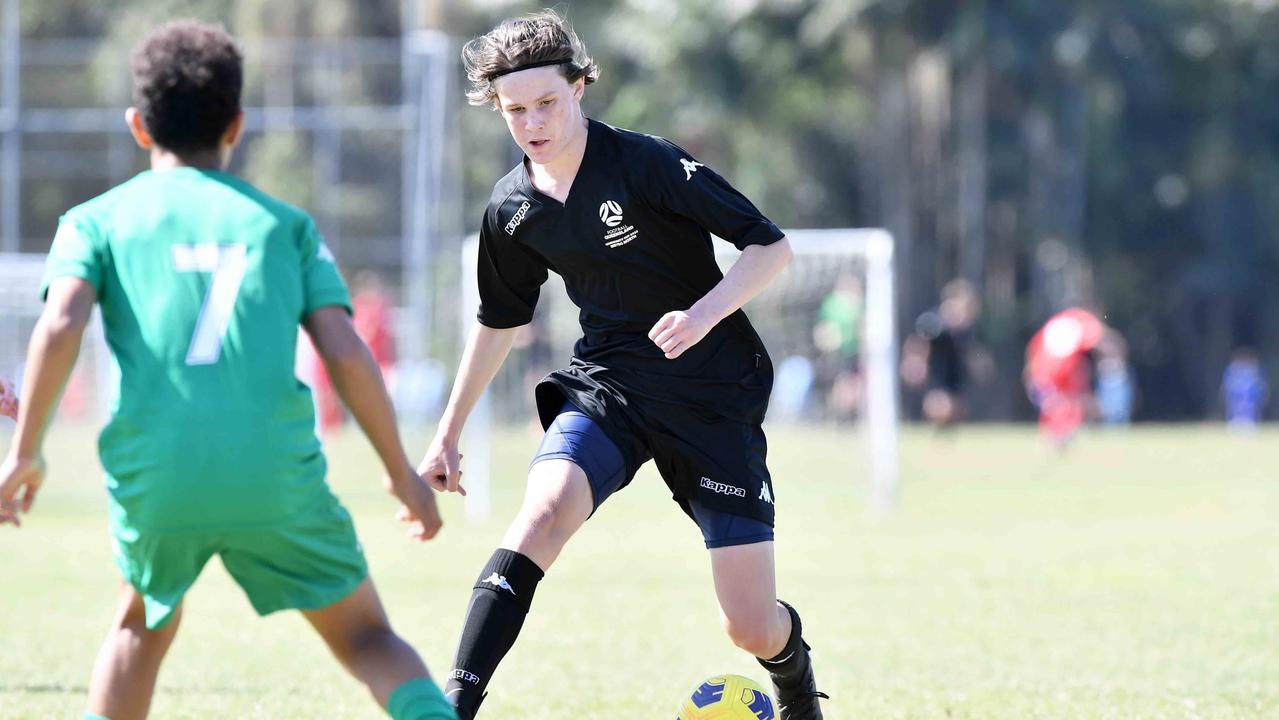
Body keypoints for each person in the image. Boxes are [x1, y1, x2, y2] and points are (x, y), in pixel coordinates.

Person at [0, 22, 456, 720]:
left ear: (137, 126)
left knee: (140, 626)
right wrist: (398, 471)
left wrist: (26, 450)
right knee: (367, 635)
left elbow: (60, 325)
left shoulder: (94, 221)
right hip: (274, 470)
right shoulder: (284, 226)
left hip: (157, 472)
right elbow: (343, 348)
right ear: (237, 126)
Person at [415, 10, 827, 719]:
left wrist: (704, 313)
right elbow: (500, 320)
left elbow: (769, 247)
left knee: (749, 626)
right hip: (609, 384)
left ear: (579, 88)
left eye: (547, 102)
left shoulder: (646, 162)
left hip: (710, 395)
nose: (532, 122)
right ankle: (453, 703)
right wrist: (447, 432)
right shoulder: (510, 209)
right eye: (515, 110)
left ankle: (792, 676)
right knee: (541, 513)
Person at [1222, 348, 1268, 431]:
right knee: (1235, 409)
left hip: (1249, 397)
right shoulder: (1232, 369)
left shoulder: (1254, 369)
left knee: (1249, 409)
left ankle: (1250, 425)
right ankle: (1235, 425)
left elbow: (1258, 385)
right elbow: (1228, 384)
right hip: (1236, 396)